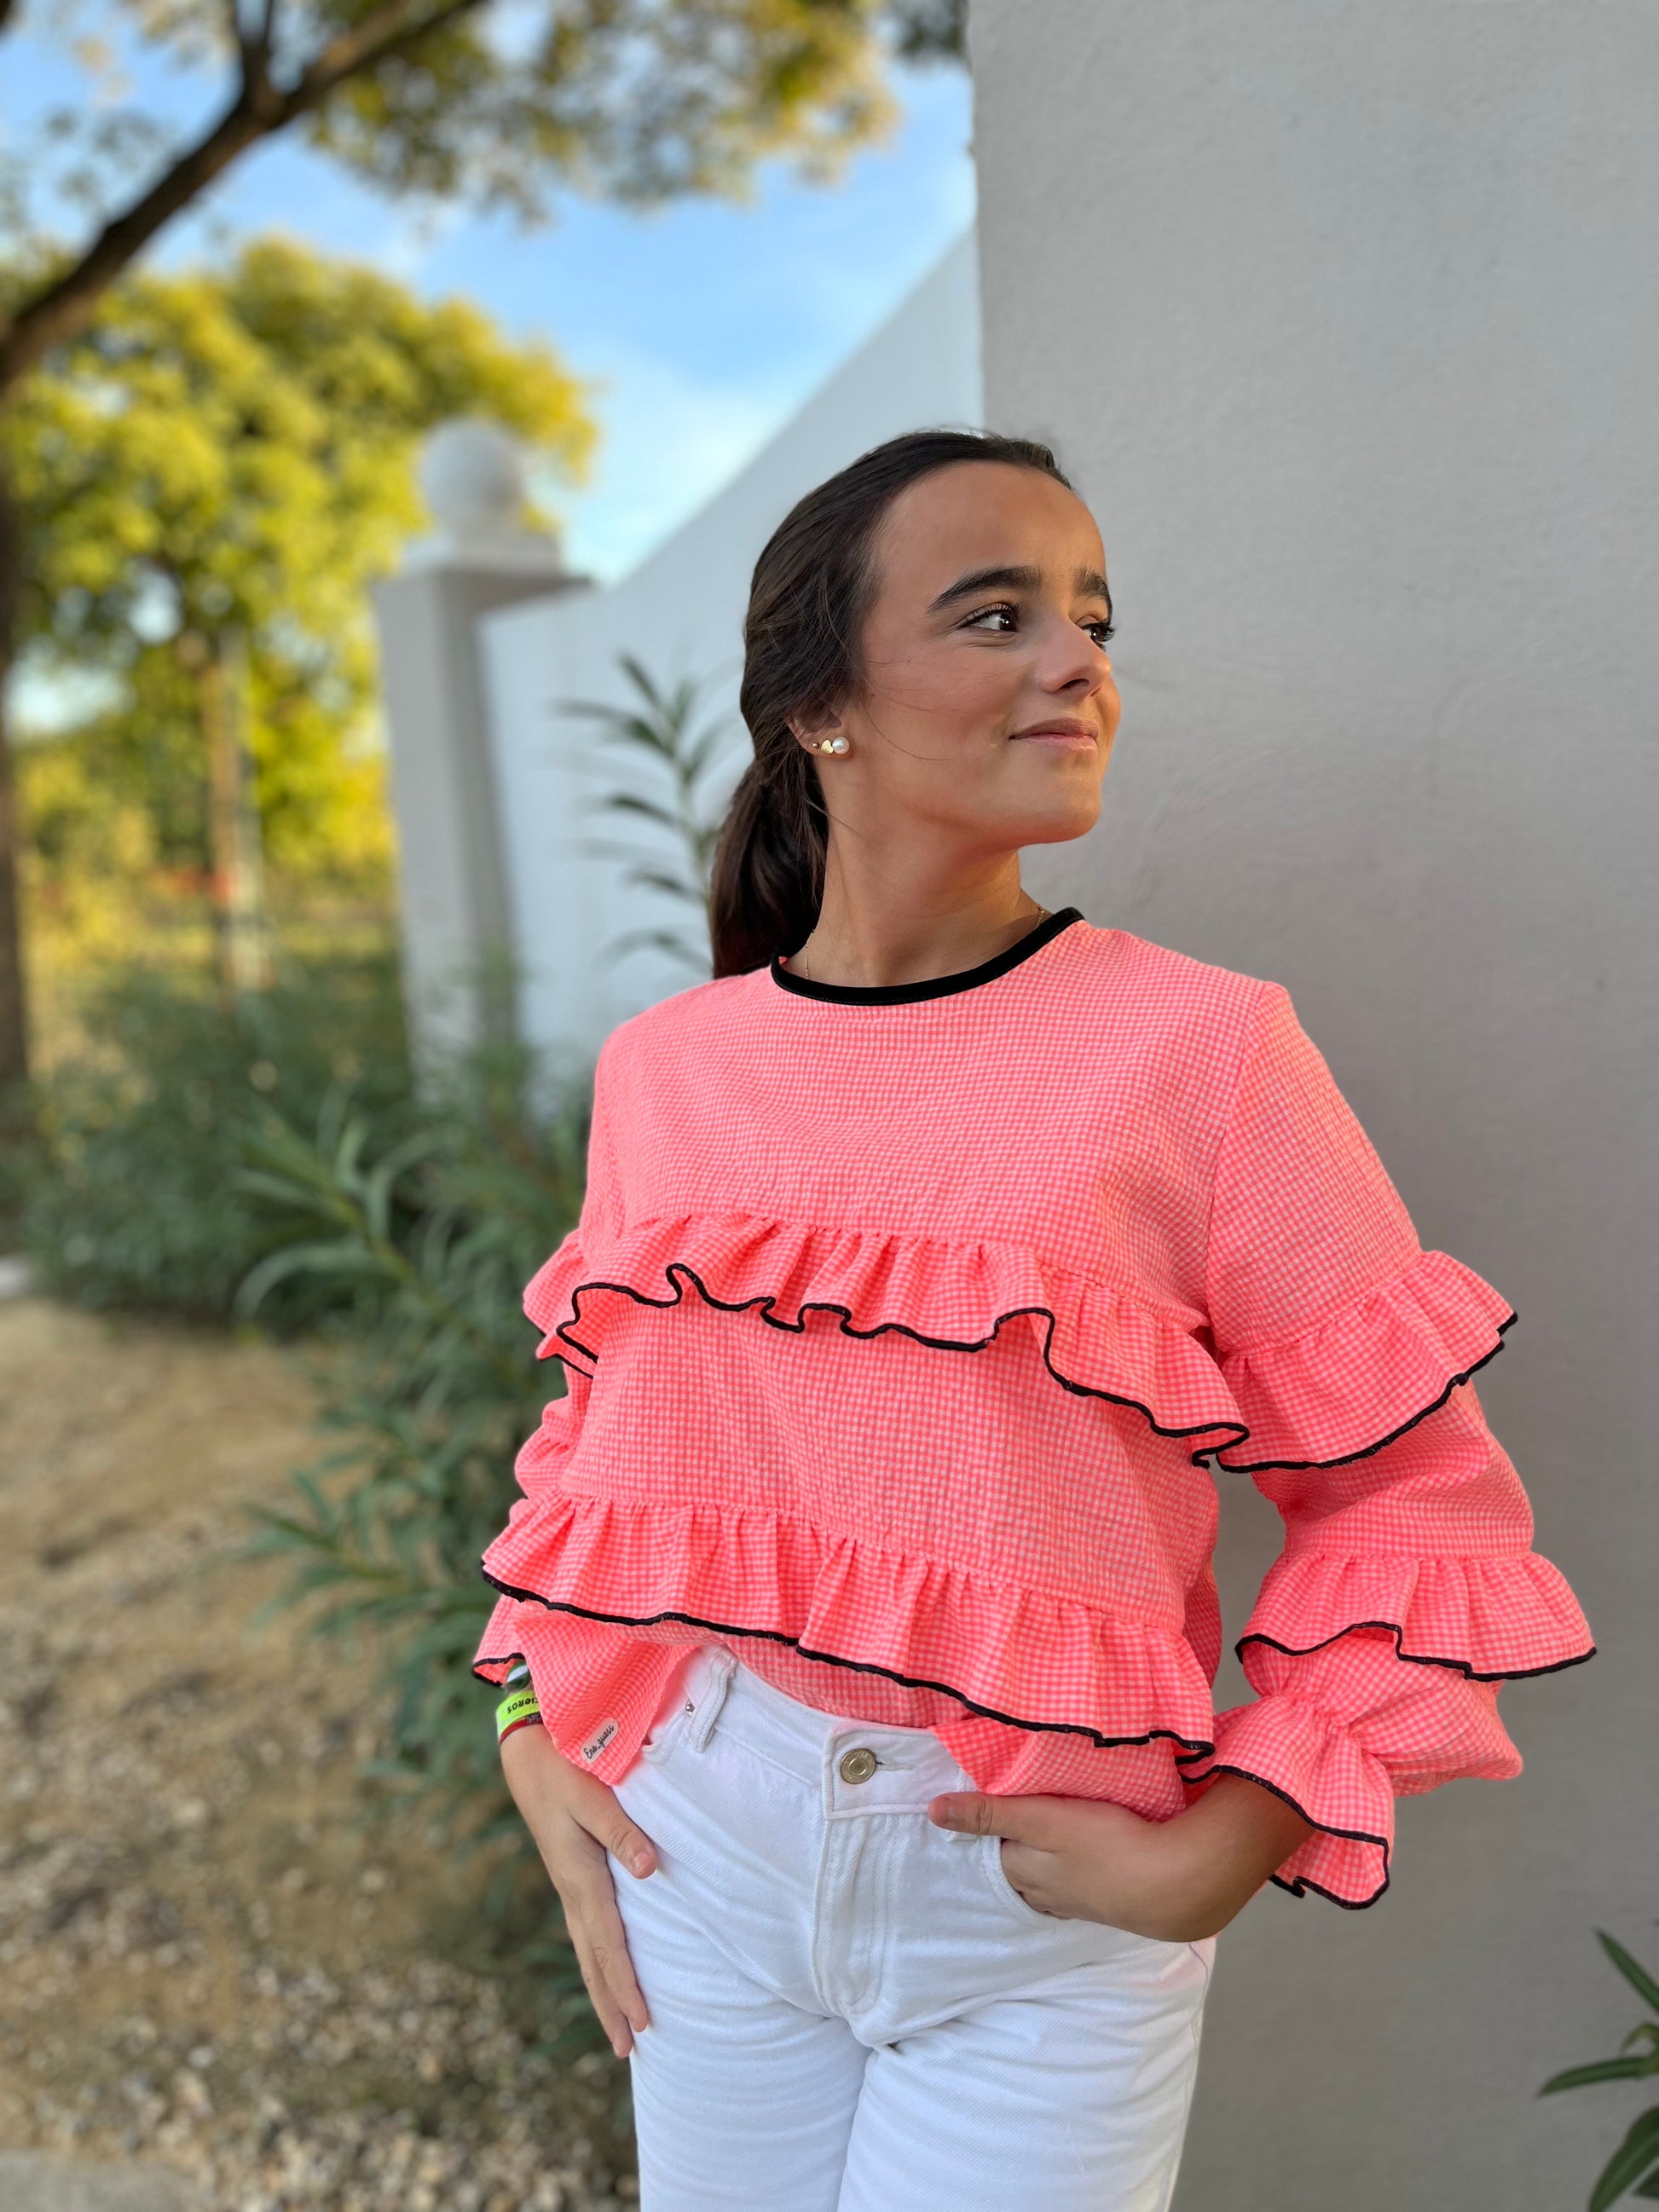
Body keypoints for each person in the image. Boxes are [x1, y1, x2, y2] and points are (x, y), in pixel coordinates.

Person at [474, 430, 1593, 2210]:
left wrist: (1234, 1836)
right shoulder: (666, 1067)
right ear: (819, 706)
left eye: (1092, 617)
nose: (1078, 660)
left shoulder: (1203, 1050)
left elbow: (1416, 1503)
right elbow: (598, 1441)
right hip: (700, 1845)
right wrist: (531, 1721)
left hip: (1038, 1915)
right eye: (996, 615)